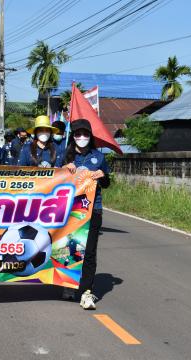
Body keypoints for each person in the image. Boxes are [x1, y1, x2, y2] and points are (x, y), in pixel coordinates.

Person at [62, 119, 110, 310]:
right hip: (69, 210)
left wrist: (102, 175)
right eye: (78, 134)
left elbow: (107, 184)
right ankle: (68, 286)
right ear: (72, 137)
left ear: (90, 136)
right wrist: (64, 169)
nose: (82, 138)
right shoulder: (66, 157)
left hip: (93, 209)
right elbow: (53, 180)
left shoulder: (98, 157)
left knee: (89, 252)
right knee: (70, 249)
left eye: (85, 134)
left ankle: (86, 292)